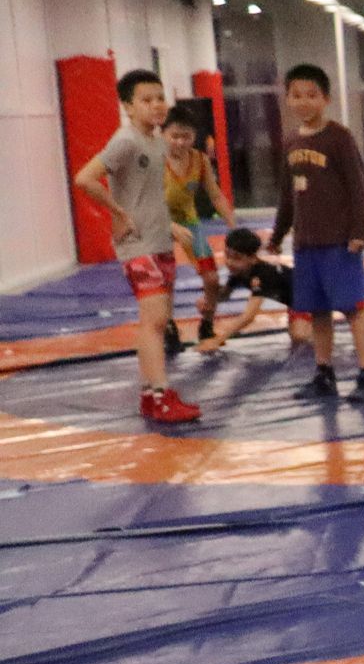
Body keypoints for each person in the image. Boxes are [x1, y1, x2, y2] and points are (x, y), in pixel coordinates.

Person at [72, 69, 202, 426]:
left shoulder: (157, 143)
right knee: (155, 320)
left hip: (158, 239)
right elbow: (84, 178)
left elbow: (147, 196)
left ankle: (150, 394)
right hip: (137, 244)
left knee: (158, 320)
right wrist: (117, 213)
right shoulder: (126, 141)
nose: (156, 105)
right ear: (128, 107)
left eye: (160, 98)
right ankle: (160, 394)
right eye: (146, 100)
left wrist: (170, 226)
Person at [265, 63, 364, 400]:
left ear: (325, 99)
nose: (304, 102)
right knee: (317, 311)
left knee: (354, 307)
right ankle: (324, 373)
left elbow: (358, 188)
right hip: (306, 243)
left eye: (311, 95)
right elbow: (287, 195)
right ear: (287, 99)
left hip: (339, 242)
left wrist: (359, 232)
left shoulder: (339, 138)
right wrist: (277, 235)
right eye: (296, 95)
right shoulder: (290, 141)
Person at [162, 100, 234, 351]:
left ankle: (207, 322)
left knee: (212, 278)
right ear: (163, 134)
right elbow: (144, 202)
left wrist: (232, 224)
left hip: (189, 221)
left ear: (194, 136)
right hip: (159, 222)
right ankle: (168, 327)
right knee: (165, 279)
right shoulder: (154, 160)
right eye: (174, 136)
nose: (180, 142)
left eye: (187, 137)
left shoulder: (200, 160)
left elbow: (215, 195)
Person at [198, 226, 294, 353]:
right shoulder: (239, 271)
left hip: (308, 298)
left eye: (237, 258)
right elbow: (224, 295)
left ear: (253, 258)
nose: (230, 262)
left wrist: (217, 340)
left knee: (300, 336)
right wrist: (208, 299)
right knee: (298, 334)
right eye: (227, 255)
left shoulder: (262, 275)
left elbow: (248, 316)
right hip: (296, 302)